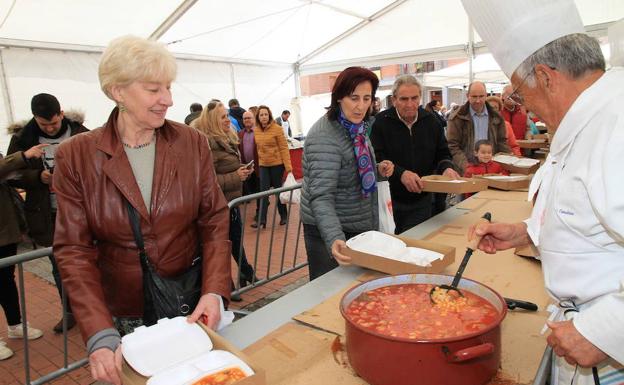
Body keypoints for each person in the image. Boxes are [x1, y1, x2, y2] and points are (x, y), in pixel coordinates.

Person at [52, 35, 231, 385]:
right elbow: (73, 250)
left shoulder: (190, 142)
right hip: (122, 311)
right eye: (154, 90)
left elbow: (214, 219)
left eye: (167, 87)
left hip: (188, 302)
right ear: (118, 91)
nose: (168, 99)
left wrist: (214, 289)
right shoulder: (75, 156)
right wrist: (98, 332)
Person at [462, 0, 624, 383]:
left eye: (520, 93)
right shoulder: (584, 118)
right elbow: (583, 217)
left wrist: (607, 330)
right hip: (577, 332)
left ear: (546, 77)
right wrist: (525, 232)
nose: (525, 107)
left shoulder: (616, 127)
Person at [301, 67, 394, 280]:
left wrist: (377, 170)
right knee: (328, 294)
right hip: (329, 230)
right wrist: (334, 237)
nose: (361, 106)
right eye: (354, 98)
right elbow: (321, 196)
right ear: (339, 98)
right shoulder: (324, 137)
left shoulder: (355, 127)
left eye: (366, 98)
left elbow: (352, 168)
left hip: (357, 223)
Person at [7, 93, 88, 333]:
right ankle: (69, 311)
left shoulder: (81, 133)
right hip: (48, 213)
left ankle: (98, 308)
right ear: (35, 119)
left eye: (53, 122)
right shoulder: (23, 138)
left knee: (92, 260)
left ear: (61, 114)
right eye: (44, 125)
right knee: (59, 264)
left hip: (83, 210)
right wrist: (37, 177)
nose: (51, 128)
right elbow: (10, 175)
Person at [371, 75, 459, 234]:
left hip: (422, 200)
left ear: (420, 98)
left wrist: (446, 167)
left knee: (417, 246)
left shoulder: (431, 121)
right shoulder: (380, 122)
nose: (410, 104)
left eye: (414, 98)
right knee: (392, 249)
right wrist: (401, 173)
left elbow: (443, 152)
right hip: (390, 200)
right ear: (394, 99)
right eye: (404, 99)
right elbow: (376, 158)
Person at [193, 101, 259, 292]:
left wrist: (241, 170)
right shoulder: (207, 144)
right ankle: (227, 283)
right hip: (216, 206)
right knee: (221, 246)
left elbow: (225, 168)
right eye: (223, 117)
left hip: (230, 202)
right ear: (213, 120)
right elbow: (205, 181)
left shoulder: (226, 138)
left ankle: (244, 273)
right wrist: (235, 176)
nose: (228, 120)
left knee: (235, 240)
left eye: (227, 115)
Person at [0, 145, 47, 360]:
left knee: (6, 280)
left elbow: (9, 176)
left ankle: (15, 324)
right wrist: (23, 156)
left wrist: (38, 176)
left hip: (5, 230)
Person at [446, 81, 510, 173]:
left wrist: (508, 161)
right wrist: (465, 166)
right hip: (466, 169)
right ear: (467, 95)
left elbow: (502, 142)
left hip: (491, 169)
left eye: (481, 96)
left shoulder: (496, 116)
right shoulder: (457, 117)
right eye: (474, 96)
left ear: (486, 95)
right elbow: (452, 145)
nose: (478, 100)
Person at [253, 105, 292, 228]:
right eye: (261, 115)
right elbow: (258, 149)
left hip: (277, 165)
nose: (264, 117)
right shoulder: (256, 130)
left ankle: (284, 216)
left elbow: (284, 148)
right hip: (264, 165)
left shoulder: (277, 128)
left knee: (278, 190)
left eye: (265, 114)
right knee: (263, 192)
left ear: (269, 115)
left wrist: (288, 167)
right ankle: (262, 220)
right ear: (258, 117)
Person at [238, 110, 261, 222]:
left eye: (249, 118)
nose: (247, 120)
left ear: (254, 119)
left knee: (259, 191)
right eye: (245, 118)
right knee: (253, 191)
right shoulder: (240, 133)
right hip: (247, 168)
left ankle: (259, 214)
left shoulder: (259, 132)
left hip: (259, 168)